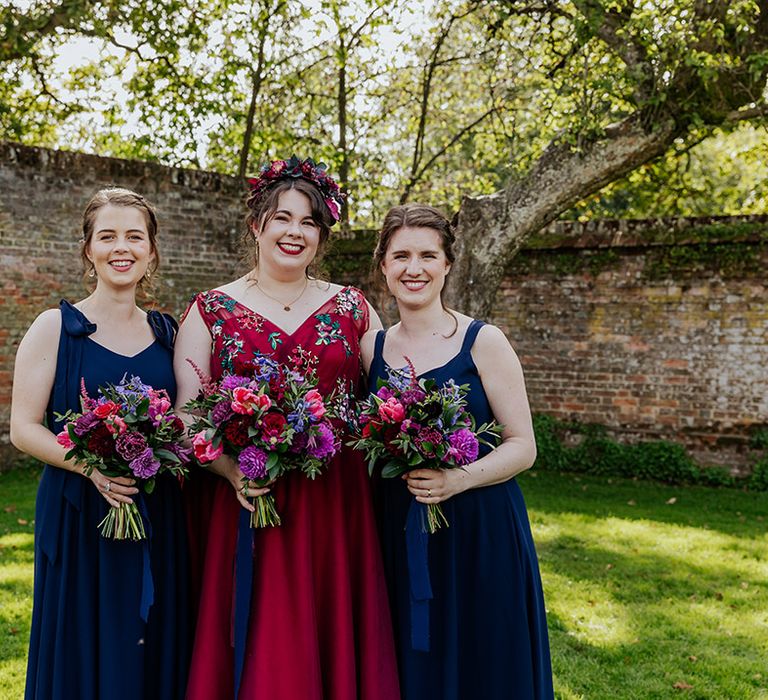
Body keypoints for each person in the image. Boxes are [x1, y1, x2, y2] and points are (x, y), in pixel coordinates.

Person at [175, 156, 400, 699]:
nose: (295, 232)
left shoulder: (353, 307)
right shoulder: (211, 310)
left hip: (336, 499)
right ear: (257, 226)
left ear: (322, 235)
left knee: (333, 633)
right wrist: (230, 471)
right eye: (282, 218)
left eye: (310, 222)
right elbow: (185, 416)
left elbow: (393, 396)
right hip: (250, 497)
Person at [362, 203, 554, 700]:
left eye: (428, 255)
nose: (414, 268)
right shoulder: (372, 348)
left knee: (483, 661)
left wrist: (458, 478)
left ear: (447, 264)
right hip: (399, 528)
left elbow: (523, 446)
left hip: (480, 529)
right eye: (400, 255)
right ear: (383, 265)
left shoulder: (483, 341)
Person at [10, 188, 190, 699]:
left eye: (135, 236)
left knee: (150, 638)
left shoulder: (168, 333)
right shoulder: (55, 329)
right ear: (88, 248)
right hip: (79, 515)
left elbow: (183, 416)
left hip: (155, 512)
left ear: (152, 250)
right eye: (107, 236)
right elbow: (24, 428)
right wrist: (91, 468)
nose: (121, 247)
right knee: (83, 640)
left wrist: (159, 445)